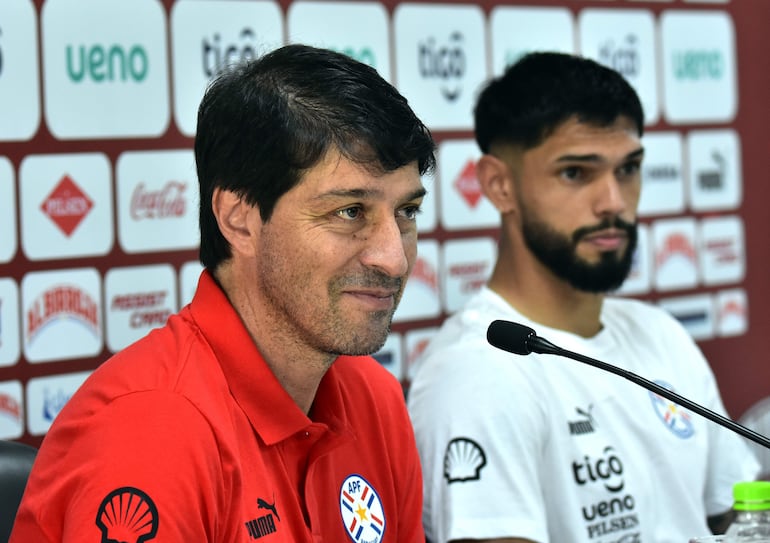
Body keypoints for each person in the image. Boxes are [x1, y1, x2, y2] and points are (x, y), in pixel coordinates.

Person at [10, 44, 435, 542]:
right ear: (240, 219)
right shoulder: (150, 435)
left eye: (406, 212)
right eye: (350, 212)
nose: (394, 257)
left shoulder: (375, 399)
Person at [407, 51, 759, 543]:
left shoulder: (661, 335)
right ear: (498, 184)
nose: (613, 202)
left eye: (628, 169)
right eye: (576, 173)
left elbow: (742, 516)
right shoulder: (476, 375)